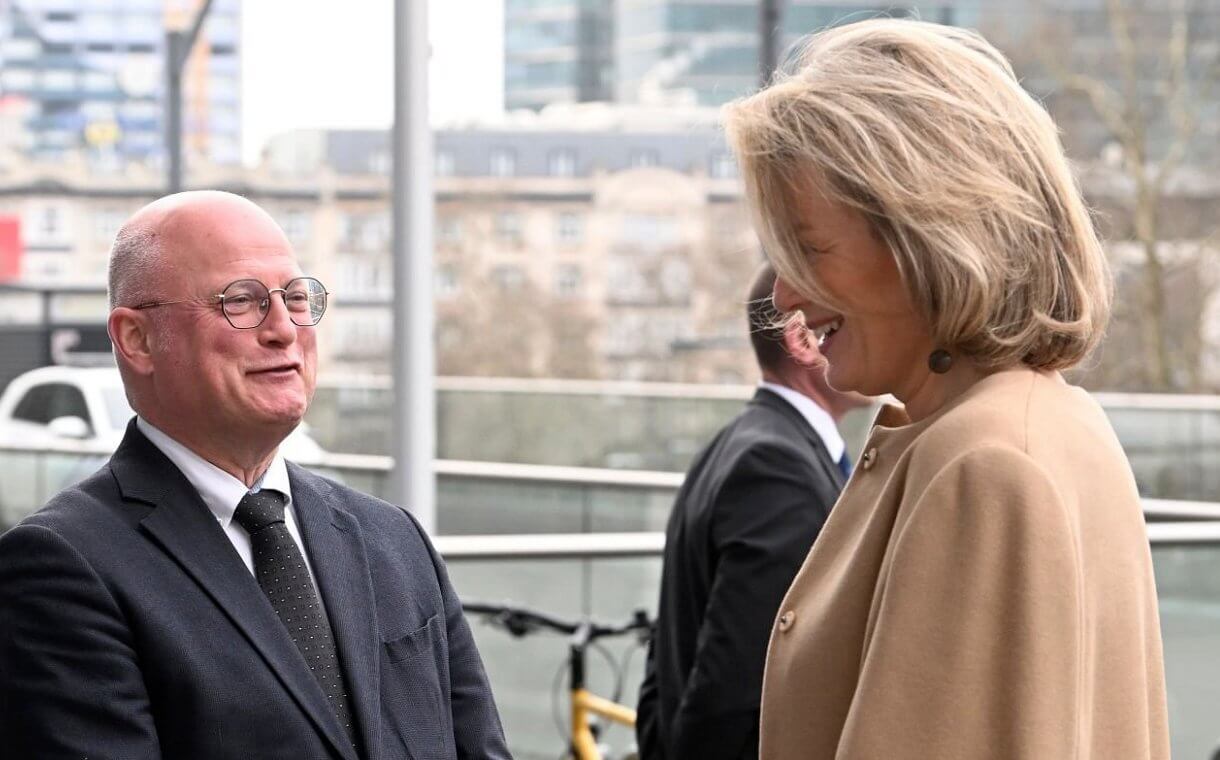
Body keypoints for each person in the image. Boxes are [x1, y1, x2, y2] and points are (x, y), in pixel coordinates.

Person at [722, 19, 1169, 760]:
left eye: (811, 250)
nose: (787, 297)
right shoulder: (1046, 423)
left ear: (929, 236)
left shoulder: (980, 465)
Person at [0, 191, 511, 760]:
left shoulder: (393, 540)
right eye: (241, 301)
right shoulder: (62, 567)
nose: (284, 330)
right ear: (137, 339)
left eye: (296, 298)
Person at [636, 262, 868, 760]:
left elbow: (670, 645)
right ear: (803, 339)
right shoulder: (778, 467)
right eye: (854, 317)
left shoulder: (738, 444)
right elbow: (738, 680)